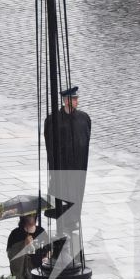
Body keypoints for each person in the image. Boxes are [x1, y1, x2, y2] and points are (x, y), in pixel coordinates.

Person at [42, 85, 92, 266]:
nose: (77, 102)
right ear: (66, 100)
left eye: (77, 99)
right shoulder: (53, 121)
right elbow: (51, 150)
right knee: (62, 212)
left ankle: (77, 253)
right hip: (61, 174)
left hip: (78, 174)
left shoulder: (84, 119)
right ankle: (61, 250)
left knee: (75, 211)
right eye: (74, 99)